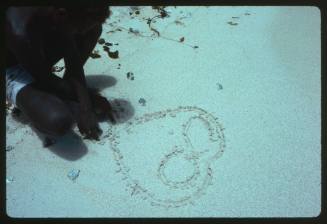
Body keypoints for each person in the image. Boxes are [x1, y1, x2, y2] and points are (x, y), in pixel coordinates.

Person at [5, 6, 115, 144]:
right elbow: (46, 81)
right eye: (77, 29)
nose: (78, 34)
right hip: (11, 67)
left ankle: (68, 88)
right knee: (58, 121)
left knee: (93, 28)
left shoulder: (59, 14)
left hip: (38, 48)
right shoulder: (20, 31)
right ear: (61, 15)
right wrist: (86, 100)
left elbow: (72, 59)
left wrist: (85, 107)